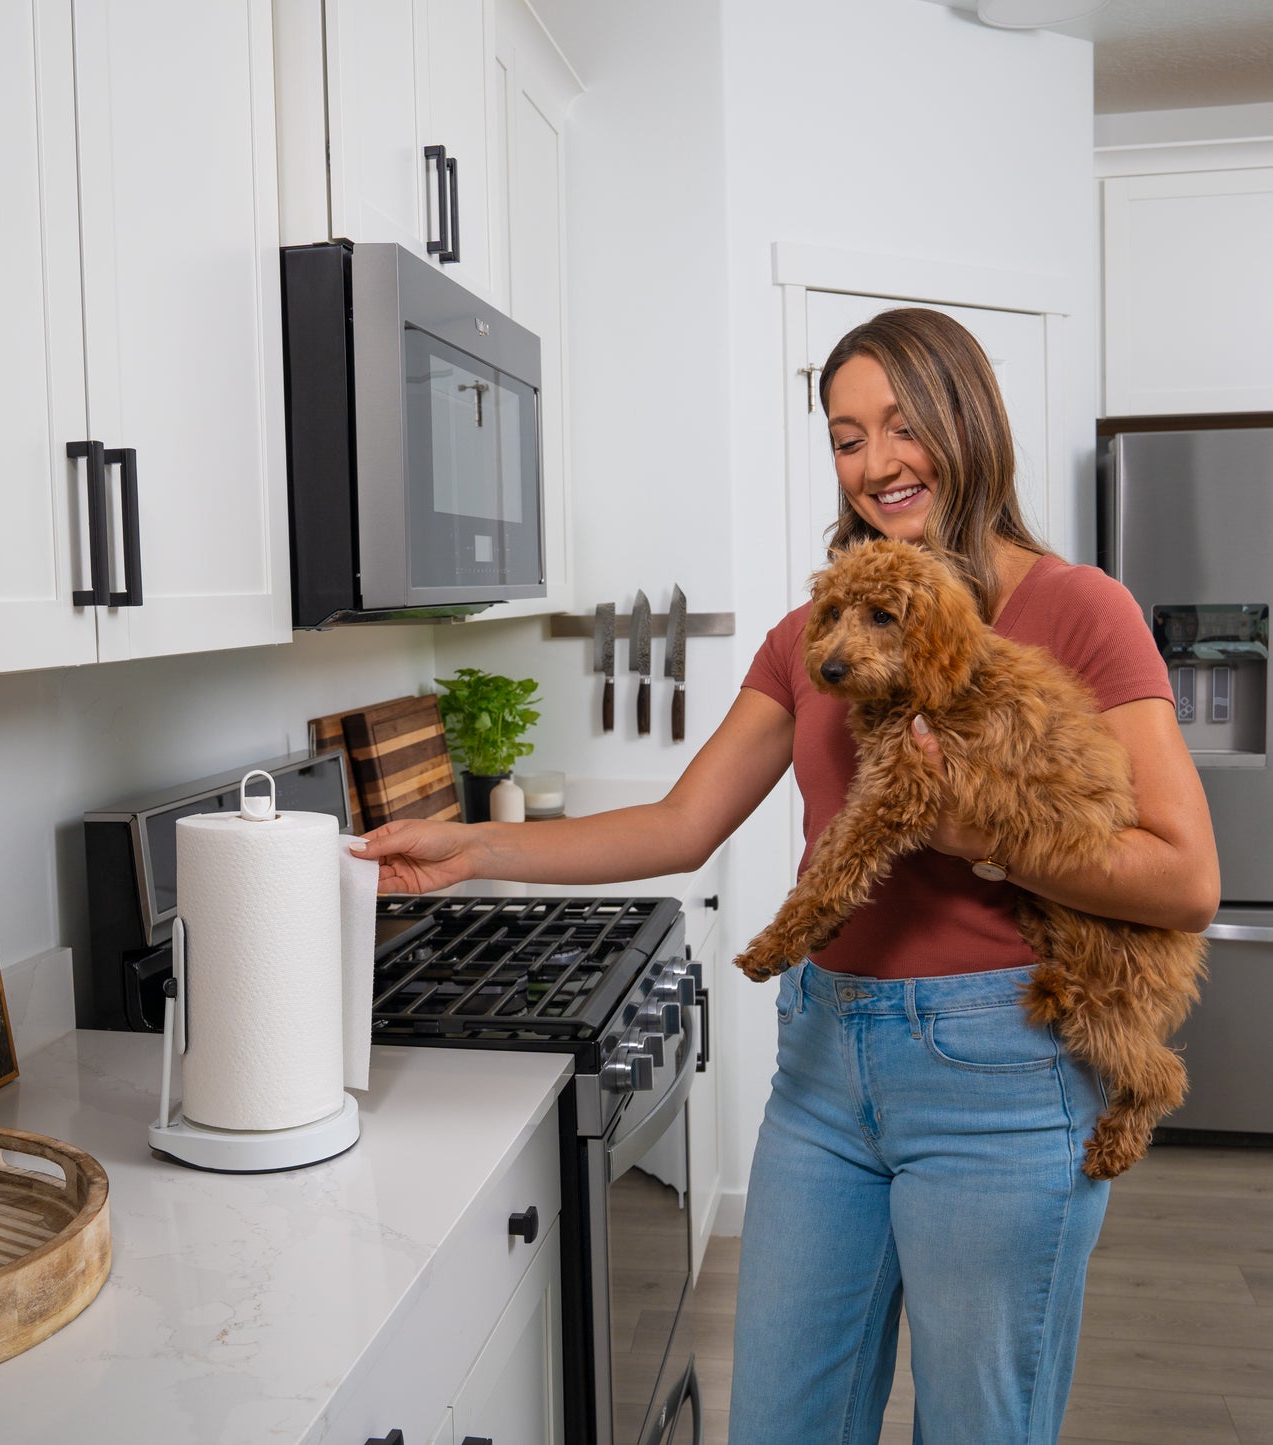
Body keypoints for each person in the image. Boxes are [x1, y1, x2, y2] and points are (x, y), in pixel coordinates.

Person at [351, 307, 1219, 1444]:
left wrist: (980, 836)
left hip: (1000, 1074)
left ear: (969, 422)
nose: (875, 463)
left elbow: (1183, 878)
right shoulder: (813, 633)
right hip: (820, 1067)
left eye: (902, 426)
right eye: (846, 437)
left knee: (977, 1426)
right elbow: (680, 823)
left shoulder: (1078, 607)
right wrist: (472, 850)